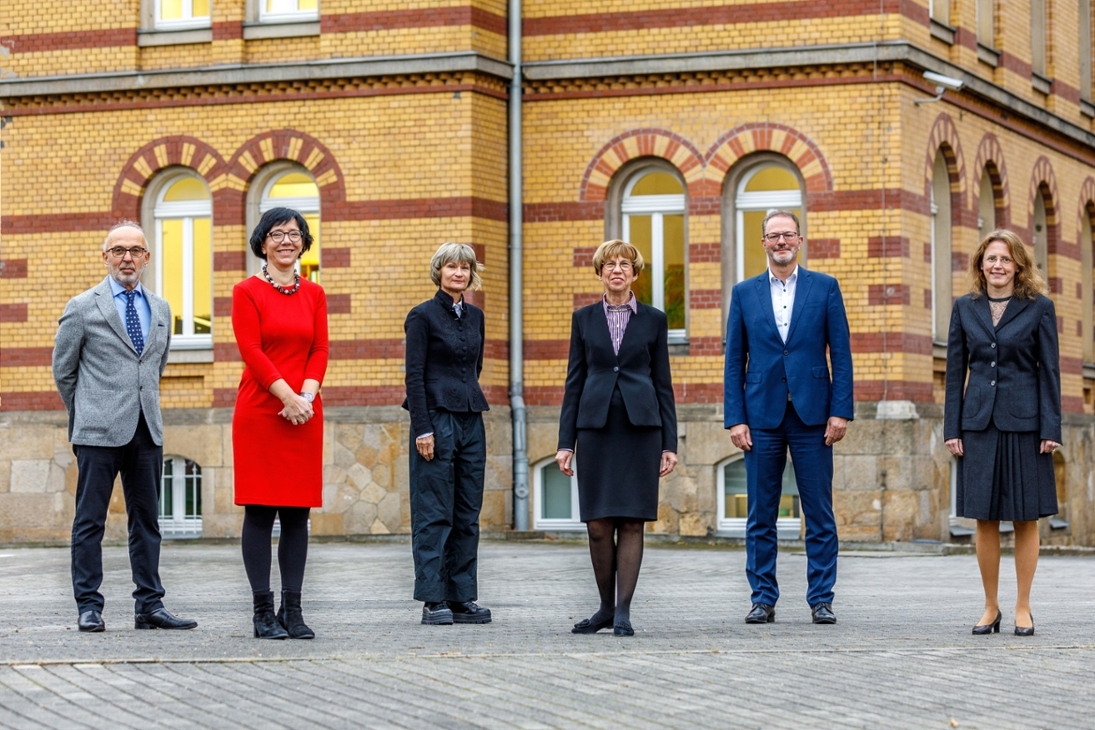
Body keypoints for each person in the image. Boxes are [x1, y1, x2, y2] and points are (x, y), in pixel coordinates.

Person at [52, 221, 197, 633]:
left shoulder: (162, 307)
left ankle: (149, 605)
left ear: (147, 257)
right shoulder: (82, 306)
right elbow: (64, 371)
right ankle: (89, 606)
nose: (127, 258)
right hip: (97, 432)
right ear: (106, 257)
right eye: (118, 250)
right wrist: (86, 413)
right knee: (90, 522)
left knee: (147, 522)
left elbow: (155, 365)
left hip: (146, 430)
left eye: (135, 250)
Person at [724, 210, 853, 625]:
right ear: (763, 242)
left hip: (814, 414)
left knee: (819, 512)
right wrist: (735, 418)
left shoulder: (825, 288)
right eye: (773, 236)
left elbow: (842, 354)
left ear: (799, 240)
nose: (781, 242)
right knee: (762, 513)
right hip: (760, 415)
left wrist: (840, 410)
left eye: (787, 235)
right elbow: (733, 361)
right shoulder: (744, 293)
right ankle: (762, 597)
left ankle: (821, 598)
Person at [556, 239, 678, 637]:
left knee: (631, 521)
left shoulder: (655, 320)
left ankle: (622, 610)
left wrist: (669, 444)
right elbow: (574, 382)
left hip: (641, 429)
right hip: (595, 429)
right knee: (596, 522)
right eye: (609, 264)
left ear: (635, 274)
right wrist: (566, 442)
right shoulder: (583, 318)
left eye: (625, 264)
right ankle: (604, 608)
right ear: (600, 272)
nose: (617, 270)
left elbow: (664, 384)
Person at [944, 229, 1061, 637]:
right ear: (981, 264)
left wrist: (1051, 426)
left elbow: (1050, 371)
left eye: (1006, 259)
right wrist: (951, 428)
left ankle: (1023, 607)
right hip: (978, 425)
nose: (998, 265)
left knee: (1026, 518)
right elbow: (956, 371)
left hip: (1026, 425)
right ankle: (990, 606)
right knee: (985, 518)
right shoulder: (964, 308)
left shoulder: (1039, 308)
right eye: (991, 258)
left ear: (1018, 266)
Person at [232, 207, 329, 640]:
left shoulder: (315, 294)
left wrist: (304, 397)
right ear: (262, 242)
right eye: (277, 234)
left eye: (294, 234)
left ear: (304, 242)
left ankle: (294, 611)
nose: (286, 241)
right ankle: (262, 613)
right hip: (261, 410)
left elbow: (320, 350)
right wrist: (286, 395)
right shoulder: (245, 291)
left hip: (304, 412)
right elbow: (251, 349)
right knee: (259, 510)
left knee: (296, 514)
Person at [403, 242, 491, 626]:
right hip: (435, 421)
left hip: (472, 418)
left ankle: (461, 597)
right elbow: (414, 376)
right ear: (439, 271)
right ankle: (433, 598)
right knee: (434, 512)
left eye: (465, 267)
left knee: (467, 512)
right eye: (451, 266)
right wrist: (422, 427)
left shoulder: (476, 316)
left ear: (472, 274)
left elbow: (477, 366)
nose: (459, 273)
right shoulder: (421, 316)